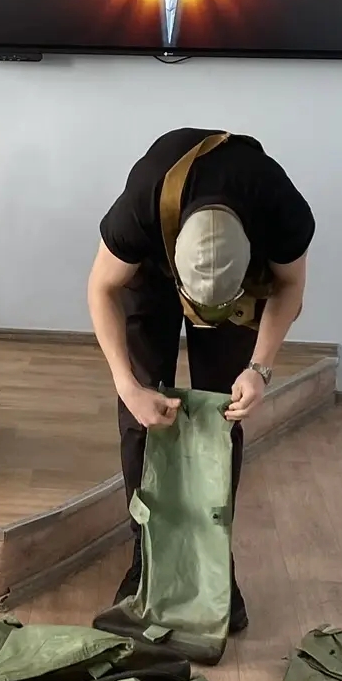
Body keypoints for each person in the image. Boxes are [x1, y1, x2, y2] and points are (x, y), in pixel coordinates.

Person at [88, 129, 313, 633]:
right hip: (152, 272)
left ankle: (214, 565)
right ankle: (145, 559)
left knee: (221, 411)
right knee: (142, 413)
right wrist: (127, 385)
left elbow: (290, 285)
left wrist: (259, 368)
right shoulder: (142, 204)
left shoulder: (281, 207)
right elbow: (101, 288)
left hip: (239, 287)